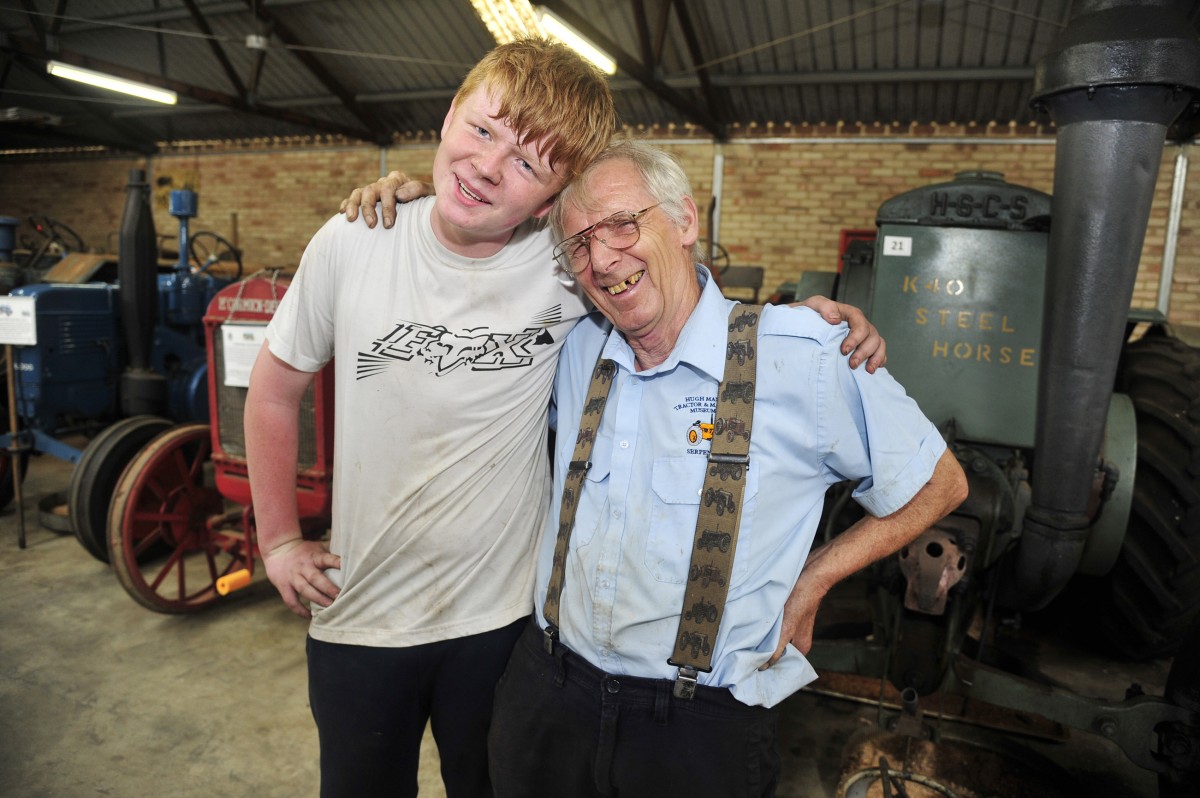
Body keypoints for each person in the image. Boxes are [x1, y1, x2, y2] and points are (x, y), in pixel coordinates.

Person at [250, 38, 882, 798]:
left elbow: (669, 288)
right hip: (358, 615)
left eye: (526, 164)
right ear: (448, 116)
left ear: (549, 202)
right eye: (481, 132)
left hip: (501, 625)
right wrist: (279, 538)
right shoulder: (354, 241)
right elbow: (275, 389)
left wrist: (790, 326)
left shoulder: (561, 270)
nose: (487, 166)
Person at [485, 139, 968, 797]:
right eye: (579, 244)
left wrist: (816, 579)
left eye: (625, 223)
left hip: (693, 732)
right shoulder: (574, 350)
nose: (602, 259)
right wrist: (413, 203)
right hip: (547, 693)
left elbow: (941, 483)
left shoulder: (803, 357)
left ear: (685, 222)